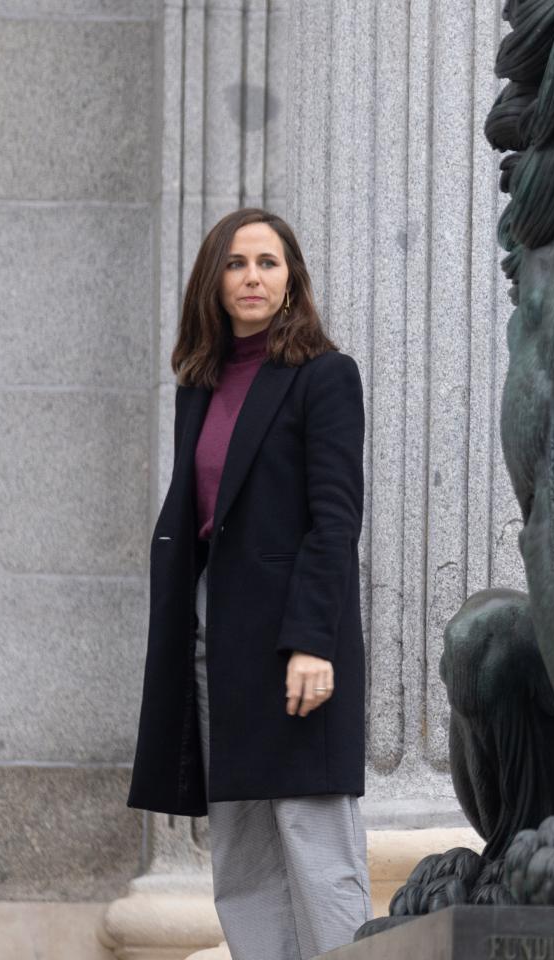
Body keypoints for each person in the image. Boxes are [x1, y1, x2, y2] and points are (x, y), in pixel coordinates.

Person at [128, 207, 371, 959]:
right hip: (215, 638)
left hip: (294, 639)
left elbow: (334, 522)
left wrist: (311, 642)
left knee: (315, 840)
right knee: (241, 854)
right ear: (215, 280)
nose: (253, 277)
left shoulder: (325, 377)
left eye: (268, 262)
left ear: (292, 277)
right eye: (236, 263)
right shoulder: (196, 388)